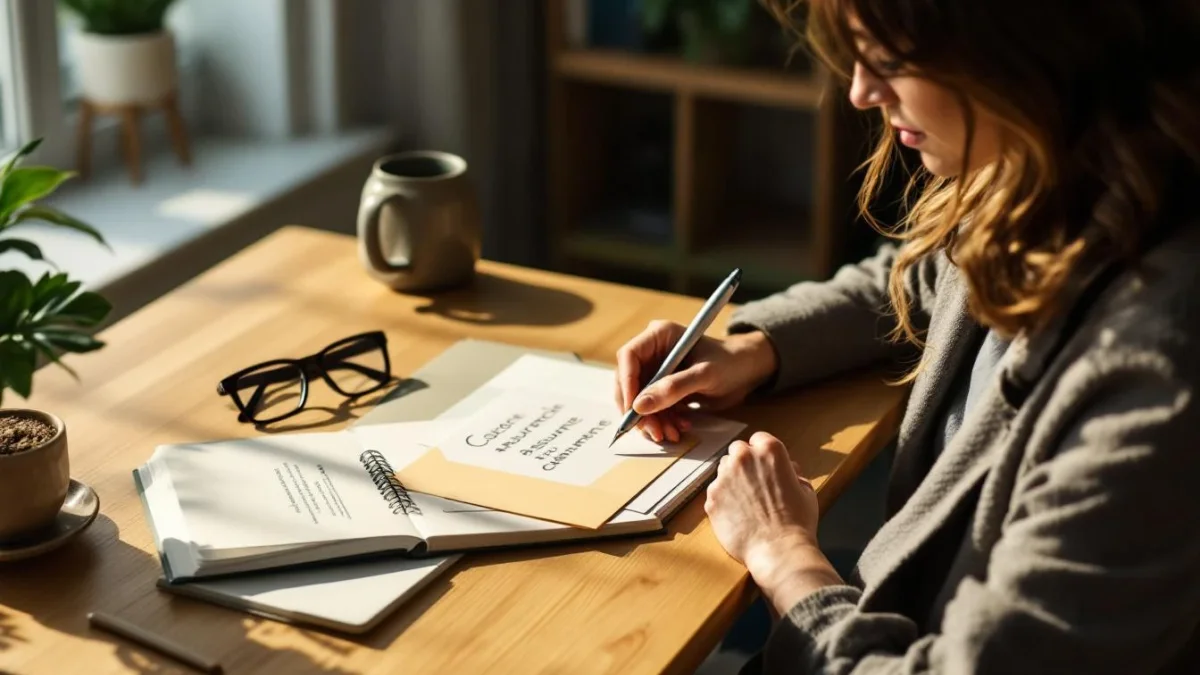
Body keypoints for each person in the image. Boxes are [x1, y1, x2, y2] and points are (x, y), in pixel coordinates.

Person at [614, 0, 1200, 672]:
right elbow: (914, 276)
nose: (861, 91)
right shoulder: (1052, 181)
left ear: (1024, 51)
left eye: (888, 62)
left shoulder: (1158, 383)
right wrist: (754, 349)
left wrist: (784, 553)